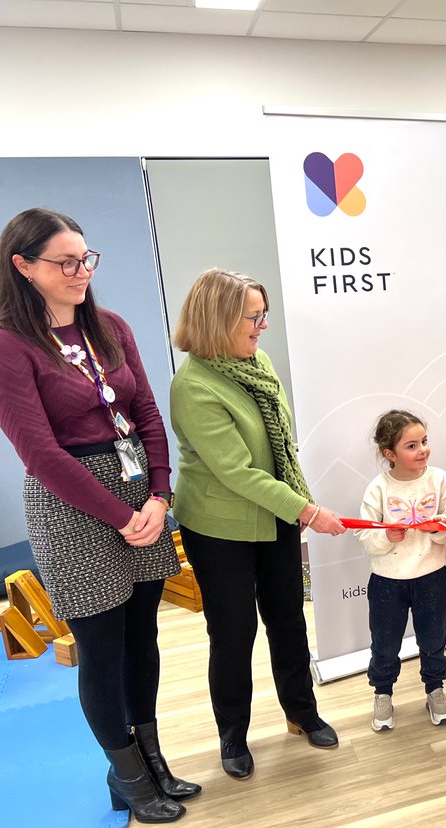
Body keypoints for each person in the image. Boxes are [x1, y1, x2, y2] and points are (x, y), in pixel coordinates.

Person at [0, 208, 192, 824]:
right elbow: (39, 452)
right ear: (24, 267)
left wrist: (157, 495)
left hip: (138, 495)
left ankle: (152, 757)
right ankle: (126, 773)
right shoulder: (3, 344)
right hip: (71, 503)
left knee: (142, 634)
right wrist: (120, 516)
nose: (81, 272)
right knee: (101, 646)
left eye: (86, 259)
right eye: (65, 262)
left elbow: (147, 413)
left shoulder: (110, 326)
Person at [169, 268, 346, 779]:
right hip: (220, 527)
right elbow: (236, 471)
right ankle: (233, 734)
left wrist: (297, 504)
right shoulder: (193, 386)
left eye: (264, 314)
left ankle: (302, 712)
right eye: (254, 316)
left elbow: (281, 449)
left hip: (276, 518)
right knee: (234, 631)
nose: (263, 325)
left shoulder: (257, 362)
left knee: (288, 619)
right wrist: (307, 510)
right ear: (219, 319)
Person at [357, 410, 446, 732]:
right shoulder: (378, 489)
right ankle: (383, 693)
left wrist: (436, 529)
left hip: (431, 576)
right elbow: (365, 536)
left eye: (424, 442)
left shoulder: (440, 479)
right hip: (388, 580)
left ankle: (435, 689)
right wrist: (386, 535)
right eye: (411, 446)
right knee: (385, 644)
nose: (422, 450)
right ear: (390, 454)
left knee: (433, 638)